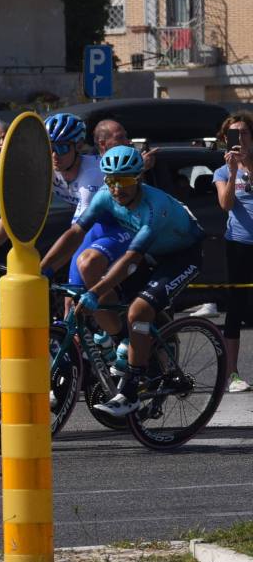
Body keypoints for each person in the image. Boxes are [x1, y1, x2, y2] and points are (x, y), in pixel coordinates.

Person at [41, 145, 204, 417]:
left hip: (182, 255)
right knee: (117, 303)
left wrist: (94, 292)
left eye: (125, 181)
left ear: (139, 178)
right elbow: (75, 234)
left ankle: (130, 392)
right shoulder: (105, 195)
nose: (118, 188)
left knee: (138, 310)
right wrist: (43, 268)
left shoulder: (154, 208)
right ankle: (138, 353)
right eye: (111, 181)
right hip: (152, 254)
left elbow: (130, 259)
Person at [38, 113, 126, 306]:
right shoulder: (49, 169)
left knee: (75, 296)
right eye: (50, 148)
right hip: (97, 226)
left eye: (61, 148)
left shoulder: (92, 175)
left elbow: (77, 235)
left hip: (122, 227)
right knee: (70, 302)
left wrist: (43, 269)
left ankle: (118, 332)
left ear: (78, 147)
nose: (54, 155)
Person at [214, 111, 253, 393]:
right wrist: (233, 171)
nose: (240, 139)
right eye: (233, 135)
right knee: (235, 307)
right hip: (238, 244)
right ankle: (232, 374)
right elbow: (226, 205)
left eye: (244, 133)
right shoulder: (222, 172)